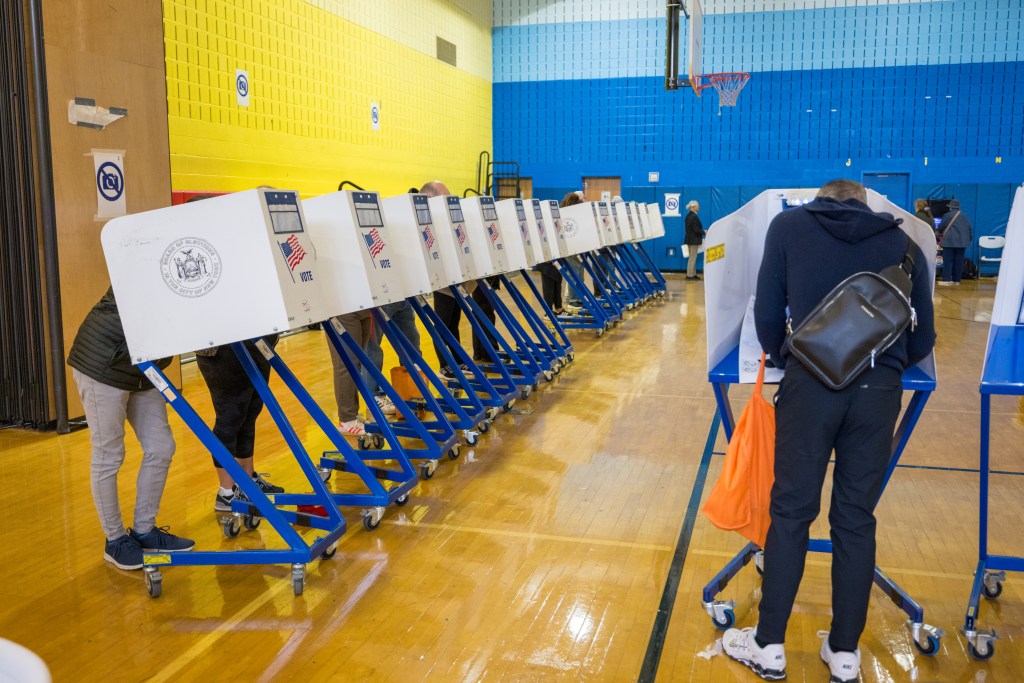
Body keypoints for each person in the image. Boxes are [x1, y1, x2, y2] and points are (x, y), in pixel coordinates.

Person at [723, 179, 935, 682]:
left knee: (792, 512)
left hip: (811, 386)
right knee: (856, 519)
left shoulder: (788, 227)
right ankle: (844, 655)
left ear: (820, 199)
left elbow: (769, 316)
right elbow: (923, 337)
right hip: (878, 393)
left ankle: (768, 645)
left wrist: (789, 356)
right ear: (865, 204)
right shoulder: (906, 246)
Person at [68, 288, 195, 570]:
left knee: (161, 446)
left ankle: (144, 530)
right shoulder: (148, 257)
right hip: (104, 363)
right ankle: (114, 541)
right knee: (109, 453)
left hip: (140, 367)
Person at [195, 338, 285, 512]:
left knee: (250, 413)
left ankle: (247, 480)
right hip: (222, 348)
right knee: (230, 417)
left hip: (257, 342)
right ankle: (227, 492)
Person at [419, 180, 466, 381]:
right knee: (442, 323)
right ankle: (445, 365)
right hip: (440, 279)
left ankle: (458, 361)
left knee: (454, 321)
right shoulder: (424, 219)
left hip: (454, 275)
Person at [327, 311, 373, 435]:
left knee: (356, 363)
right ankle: (346, 420)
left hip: (362, 306)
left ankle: (353, 414)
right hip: (341, 308)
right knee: (346, 364)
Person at [560, 191, 586, 311]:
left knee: (579, 274)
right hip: (571, 247)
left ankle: (578, 298)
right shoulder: (568, 213)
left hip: (577, 246)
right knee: (573, 273)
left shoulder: (566, 210)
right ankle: (573, 300)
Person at [937, 199, 972, 286]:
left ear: (950, 208)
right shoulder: (965, 216)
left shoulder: (947, 215)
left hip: (950, 242)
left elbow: (941, 227)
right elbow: (969, 229)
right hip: (962, 243)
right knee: (959, 261)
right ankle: (957, 280)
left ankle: (946, 279)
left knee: (948, 260)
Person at [684, 200, 704, 281]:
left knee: (693, 257)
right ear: (694, 207)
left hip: (690, 240)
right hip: (693, 240)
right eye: (697, 206)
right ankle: (689, 275)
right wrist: (703, 232)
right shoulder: (694, 217)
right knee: (692, 258)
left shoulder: (688, 216)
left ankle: (693, 274)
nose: (698, 207)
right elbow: (696, 230)